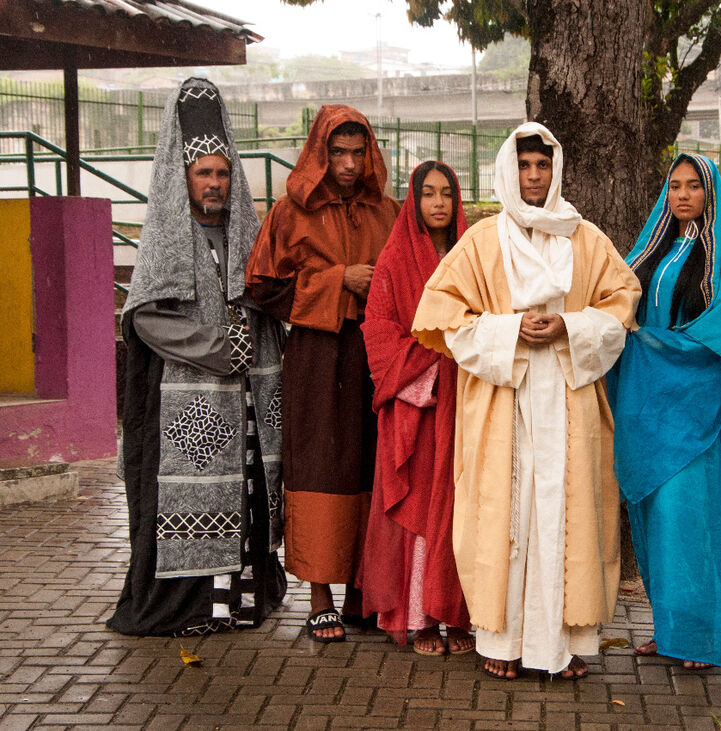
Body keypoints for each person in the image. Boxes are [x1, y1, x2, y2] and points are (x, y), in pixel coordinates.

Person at [410, 123, 641, 679]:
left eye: (541, 165)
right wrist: (509, 330)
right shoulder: (483, 241)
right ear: (507, 172)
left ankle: (560, 648)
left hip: (567, 396)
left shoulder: (585, 237)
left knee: (567, 517)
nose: (533, 176)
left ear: (555, 169)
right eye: (523, 166)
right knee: (505, 516)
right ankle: (504, 645)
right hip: (502, 400)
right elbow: (439, 313)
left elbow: (622, 302)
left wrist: (568, 324)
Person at [108, 78, 286, 637]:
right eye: (204, 172)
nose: (214, 182)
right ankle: (186, 606)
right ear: (183, 176)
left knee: (246, 491)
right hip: (185, 402)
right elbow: (146, 317)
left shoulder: (244, 233)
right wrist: (217, 348)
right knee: (188, 496)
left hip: (246, 400)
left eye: (222, 172)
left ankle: (240, 601)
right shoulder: (165, 237)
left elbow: (267, 297)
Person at [246, 105, 400, 642]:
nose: (350, 164)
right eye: (339, 152)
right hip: (316, 357)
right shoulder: (290, 212)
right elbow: (263, 288)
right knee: (319, 466)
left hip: (376, 355)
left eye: (359, 153)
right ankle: (320, 596)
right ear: (320, 152)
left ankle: (365, 592)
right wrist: (339, 281)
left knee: (372, 463)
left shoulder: (388, 212)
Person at [608, 154, 721, 671]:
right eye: (673, 186)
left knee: (689, 518)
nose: (681, 195)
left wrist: (653, 345)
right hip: (648, 406)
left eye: (693, 186)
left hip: (694, 406)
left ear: (710, 193)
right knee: (653, 516)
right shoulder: (654, 250)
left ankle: (701, 638)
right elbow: (617, 304)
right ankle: (669, 629)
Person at [356, 161, 473, 655]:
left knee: (462, 509)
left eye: (447, 193)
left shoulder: (473, 255)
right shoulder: (395, 258)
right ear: (414, 200)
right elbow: (378, 330)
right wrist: (429, 361)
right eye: (428, 194)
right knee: (421, 509)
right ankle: (419, 617)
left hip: (465, 400)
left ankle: (460, 615)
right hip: (416, 406)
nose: (439, 203)